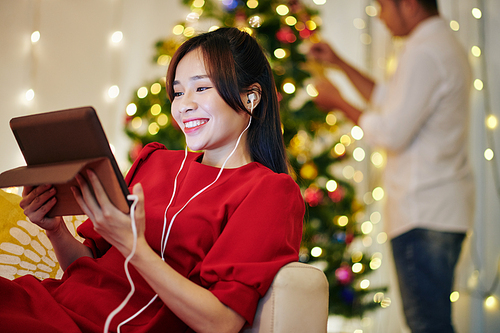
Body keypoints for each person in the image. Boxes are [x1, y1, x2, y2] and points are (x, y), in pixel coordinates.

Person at [0, 27, 304, 333]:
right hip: (52, 304)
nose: (184, 104)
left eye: (201, 88)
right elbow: (88, 268)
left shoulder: (269, 192)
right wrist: (56, 231)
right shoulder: (154, 161)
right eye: (178, 91)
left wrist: (134, 246)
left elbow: (221, 323)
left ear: (250, 97)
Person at [308, 0, 474, 332]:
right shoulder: (434, 44)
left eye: (383, 6)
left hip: (424, 210)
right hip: (436, 208)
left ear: (409, 4)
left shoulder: (425, 52)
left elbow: (391, 131)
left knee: (427, 324)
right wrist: (340, 63)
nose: (380, 17)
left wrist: (338, 102)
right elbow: (388, 100)